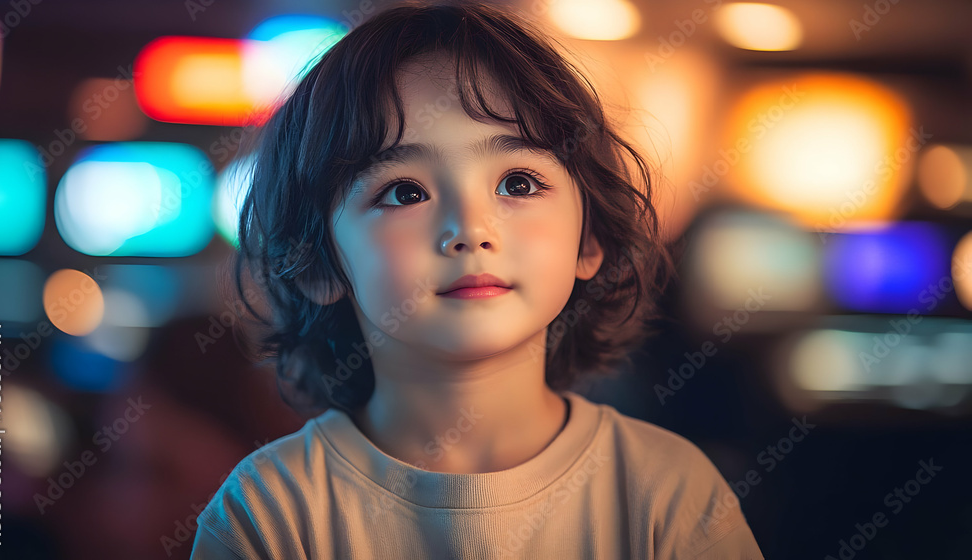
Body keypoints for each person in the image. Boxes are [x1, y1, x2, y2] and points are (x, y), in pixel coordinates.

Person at [191, 0, 765, 558]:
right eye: (405, 193)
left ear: (590, 241)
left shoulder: (668, 493)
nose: (469, 230)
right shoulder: (270, 511)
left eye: (518, 183)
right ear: (317, 263)